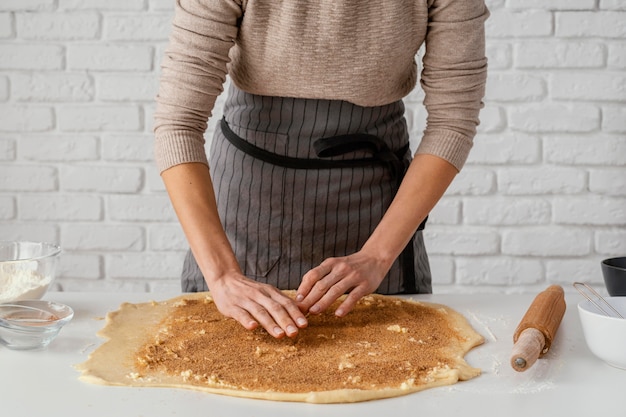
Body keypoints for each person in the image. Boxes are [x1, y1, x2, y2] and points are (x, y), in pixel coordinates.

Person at [154, 0, 489, 339]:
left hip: (378, 211)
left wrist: (377, 255)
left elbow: (453, 123)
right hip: (249, 198)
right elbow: (177, 124)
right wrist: (223, 275)